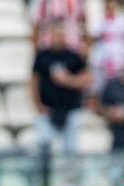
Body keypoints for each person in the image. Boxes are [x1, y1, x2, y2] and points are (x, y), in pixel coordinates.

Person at [30, 20, 91, 154]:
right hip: (48, 111)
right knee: (45, 150)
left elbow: (86, 79)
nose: (59, 38)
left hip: (70, 111)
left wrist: (67, 80)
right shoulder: (42, 56)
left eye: (61, 35)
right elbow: (33, 82)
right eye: (56, 34)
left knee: (71, 151)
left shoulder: (74, 56)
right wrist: (38, 106)